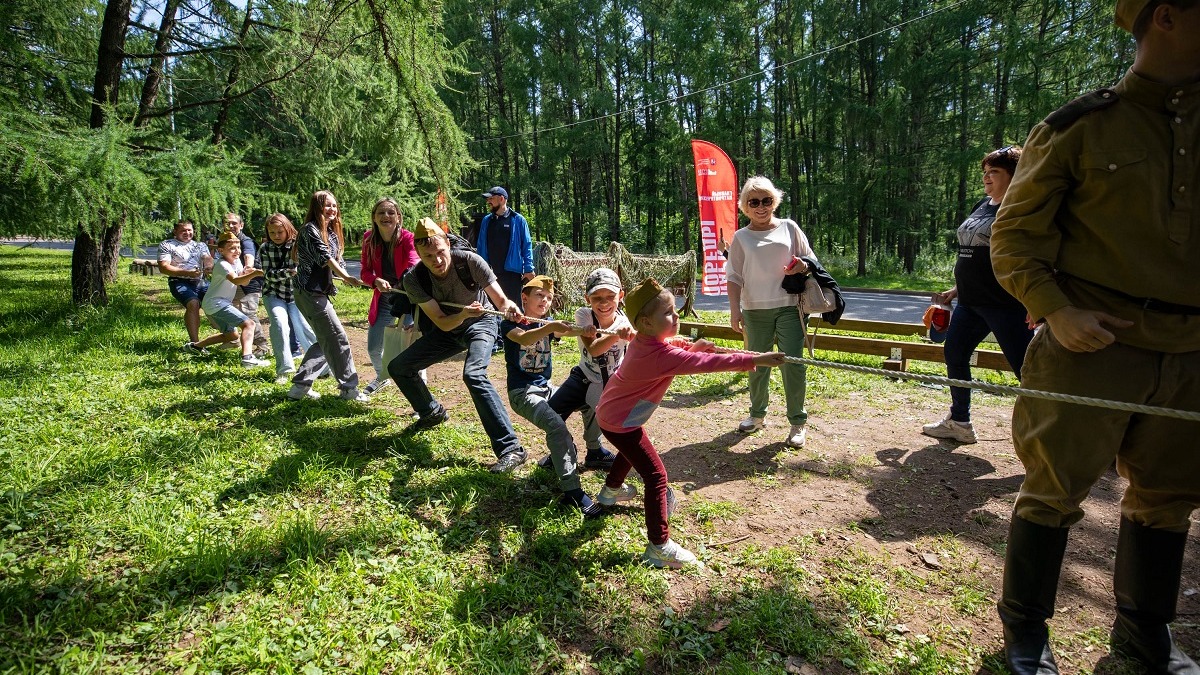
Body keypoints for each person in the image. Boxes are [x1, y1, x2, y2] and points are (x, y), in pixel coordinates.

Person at [990, 1, 1200, 673]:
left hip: (1193, 352)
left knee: (1168, 497)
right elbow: (1016, 236)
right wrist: (1054, 310)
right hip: (1091, 344)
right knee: (1054, 488)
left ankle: (1144, 634)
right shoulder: (1080, 127)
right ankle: (1026, 633)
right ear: (1166, 15)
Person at [597, 278, 787, 568]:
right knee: (656, 476)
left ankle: (610, 492)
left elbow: (670, 346)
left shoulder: (645, 341)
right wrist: (757, 359)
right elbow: (708, 364)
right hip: (620, 420)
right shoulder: (660, 355)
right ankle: (659, 546)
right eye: (669, 313)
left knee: (631, 450)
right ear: (646, 323)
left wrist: (694, 347)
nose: (676, 316)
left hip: (615, 415)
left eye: (675, 309)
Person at [388, 218, 530, 473]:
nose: (437, 260)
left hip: (481, 323)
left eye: (441, 252)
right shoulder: (415, 279)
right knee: (399, 367)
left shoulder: (470, 261)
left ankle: (511, 449)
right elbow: (442, 323)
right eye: (428, 255)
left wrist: (509, 307)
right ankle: (431, 412)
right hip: (449, 328)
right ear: (418, 254)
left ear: (448, 245)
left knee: (474, 374)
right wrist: (463, 314)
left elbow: (500, 300)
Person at [921, 147, 1036, 445]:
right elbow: (974, 256)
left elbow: (1033, 257)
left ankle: (1055, 433)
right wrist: (955, 290)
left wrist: (1035, 301)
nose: (986, 177)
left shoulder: (1023, 207)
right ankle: (960, 422)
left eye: (994, 172)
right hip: (970, 303)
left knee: (1028, 371)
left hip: (1006, 303)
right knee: (955, 355)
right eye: (985, 172)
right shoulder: (982, 204)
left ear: (1015, 175)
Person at [725, 176, 814, 447]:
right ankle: (757, 416)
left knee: (793, 365)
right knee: (756, 365)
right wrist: (734, 311)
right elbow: (734, 276)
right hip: (754, 310)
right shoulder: (740, 237)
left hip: (790, 307)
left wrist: (802, 266)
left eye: (766, 200)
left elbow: (810, 260)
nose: (761, 206)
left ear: (774, 202)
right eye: (754, 202)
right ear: (745, 206)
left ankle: (797, 423)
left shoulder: (789, 228)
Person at [501, 275, 602, 516]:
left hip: (547, 389)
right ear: (524, 298)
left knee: (591, 400)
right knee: (557, 428)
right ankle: (572, 492)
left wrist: (585, 330)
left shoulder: (546, 322)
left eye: (549, 297)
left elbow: (567, 331)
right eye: (539, 295)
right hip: (523, 393)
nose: (545, 300)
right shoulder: (510, 323)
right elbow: (524, 338)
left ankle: (594, 450)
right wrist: (550, 327)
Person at [289, 190, 368, 402]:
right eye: (327, 205)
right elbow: (325, 259)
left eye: (334, 205)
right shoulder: (309, 230)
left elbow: (338, 261)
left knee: (327, 339)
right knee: (337, 338)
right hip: (308, 293)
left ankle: (299, 386)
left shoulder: (332, 233)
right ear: (316, 207)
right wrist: (347, 277)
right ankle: (349, 389)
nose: (332, 209)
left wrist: (361, 278)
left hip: (316, 293)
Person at [546, 267, 628, 470]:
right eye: (596, 297)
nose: (604, 303)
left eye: (610, 296)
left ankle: (595, 452)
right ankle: (563, 449)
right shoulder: (584, 315)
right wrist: (617, 334)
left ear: (621, 295)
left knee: (599, 417)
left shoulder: (625, 321)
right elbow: (594, 350)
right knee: (551, 413)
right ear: (586, 298)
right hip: (582, 376)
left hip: (609, 382)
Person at [360, 197, 421, 396]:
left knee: (411, 347)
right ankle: (382, 377)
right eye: (381, 213)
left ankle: (420, 391)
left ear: (398, 217)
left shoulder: (408, 238)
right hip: (384, 298)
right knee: (374, 347)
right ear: (374, 218)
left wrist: (403, 281)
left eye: (390, 212)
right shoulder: (368, 239)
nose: (386, 216)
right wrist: (376, 280)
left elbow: (414, 262)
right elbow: (365, 271)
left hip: (407, 298)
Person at [193, 232, 271, 368]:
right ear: (221, 250)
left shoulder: (236, 262)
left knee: (231, 336)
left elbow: (243, 283)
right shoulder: (222, 264)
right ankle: (247, 358)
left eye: (238, 247)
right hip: (216, 303)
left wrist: (248, 273)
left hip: (216, 304)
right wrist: (256, 273)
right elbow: (235, 280)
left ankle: (195, 347)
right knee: (249, 324)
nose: (237, 251)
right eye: (232, 248)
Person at [259, 213, 318, 385]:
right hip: (273, 294)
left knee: (304, 328)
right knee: (279, 324)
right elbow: (268, 275)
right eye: (272, 233)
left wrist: (294, 271)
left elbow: (304, 268)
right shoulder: (264, 248)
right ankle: (284, 369)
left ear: (287, 230)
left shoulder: (297, 246)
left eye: (280, 232)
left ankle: (319, 366)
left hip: (295, 294)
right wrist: (287, 272)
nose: (276, 236)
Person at [158, 219, 214, 352]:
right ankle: (195, 343)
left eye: (190, 230)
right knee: (193, 304)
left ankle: (229, 336)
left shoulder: (200, 245)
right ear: (175, 231)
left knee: (216, 300)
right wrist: (187, 273)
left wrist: (209, 266)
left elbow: (207, 258)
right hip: (178, 281)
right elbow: (164, 267)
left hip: (200, 281)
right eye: (183, 230)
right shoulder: (167, 244)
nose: (187, 233)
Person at [476, 186, 535, 305]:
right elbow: (481, 246)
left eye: (491, 198)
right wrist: (478, 268)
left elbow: (526, 246)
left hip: (511, 274)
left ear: (502, 199)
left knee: (513, 309)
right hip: (490, 274)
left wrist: (529, 269)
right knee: (490, 309)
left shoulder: (518, 220)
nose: (488, 202)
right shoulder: (486, 220)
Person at [223, 212, 270, 357]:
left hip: (250, 284)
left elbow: (249, 254)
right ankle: (232, 339)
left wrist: (248, 267)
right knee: (231, 312)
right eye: (227, 223)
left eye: (234, 223)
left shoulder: (246, 241)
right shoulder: (225, 240)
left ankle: (262, 346)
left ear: (241, 225)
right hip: (235, 284)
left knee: (248, 314)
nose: (230, 226)